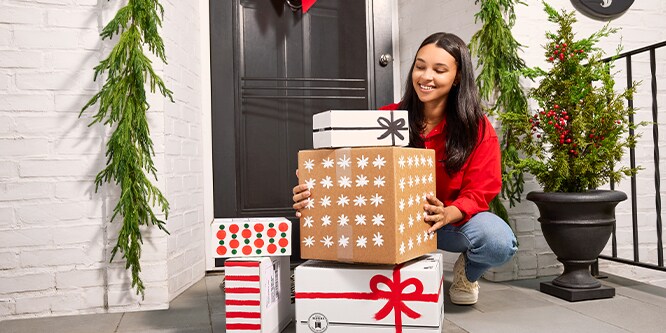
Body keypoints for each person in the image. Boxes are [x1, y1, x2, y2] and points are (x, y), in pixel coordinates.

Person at [292, 32, 517, 305]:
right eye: (420, 66)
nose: (426, 76)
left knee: (497, 241)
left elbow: (481, 190)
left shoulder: (477, 129)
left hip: (446, 222)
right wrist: (313, 185)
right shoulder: (386, 120)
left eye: (439, 69)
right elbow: (344, 165)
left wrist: (448, 213)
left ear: (457, 77)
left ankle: (467, 274)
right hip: (390, 221)